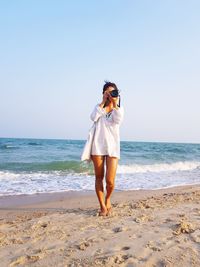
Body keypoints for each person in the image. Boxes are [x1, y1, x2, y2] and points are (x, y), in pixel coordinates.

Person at [90, 81, 124, 216]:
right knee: (99, 177)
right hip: (97, 146)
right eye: (107, 93)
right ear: (103, 94)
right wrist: (103, 102)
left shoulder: (118, 109)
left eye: (113, 92)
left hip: (113, 147)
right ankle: (102, 206)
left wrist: (114, 104)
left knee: (110, 181)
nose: (110, 95)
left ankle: (108, 199)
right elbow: (93, 117)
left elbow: (118, 120)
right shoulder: (99, 108)